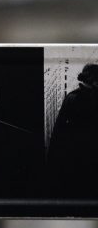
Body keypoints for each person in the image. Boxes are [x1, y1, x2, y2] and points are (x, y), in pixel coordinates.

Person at [46, 63, 98, 197]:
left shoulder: (73, 97)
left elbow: (59, 133)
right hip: (84, 158)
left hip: (73, 159)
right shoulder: (83, 98)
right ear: (94, 80)